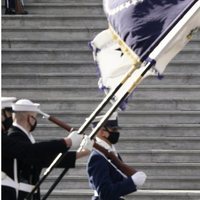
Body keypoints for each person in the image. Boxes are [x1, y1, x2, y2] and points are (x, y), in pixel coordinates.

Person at [2, 98, 93, 200]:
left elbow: (43, 158)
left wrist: (82, 152)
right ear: (30, 118)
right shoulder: (15, 135)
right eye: (35, 117)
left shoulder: (23, 136)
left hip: (27, 193)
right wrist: (67, 142)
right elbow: (34, 153)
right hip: (18, 194)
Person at [86, 112, 147, 200]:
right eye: (113, 130)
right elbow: (105, 193)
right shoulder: (97, 157)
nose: (117, 133)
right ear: (102, 132)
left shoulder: (111, 153)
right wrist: (132, 182)